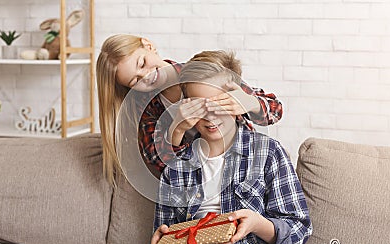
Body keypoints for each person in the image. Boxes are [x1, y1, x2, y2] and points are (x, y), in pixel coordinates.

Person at [150, 55, 312, 244]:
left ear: (237, 101)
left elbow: (298, 230)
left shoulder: (268, 153)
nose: (210, 116)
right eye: (199, 107)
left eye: (219, 104)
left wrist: (257, 224)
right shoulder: (177, 167)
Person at [96, 34, 283, 186]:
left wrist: (250, 103)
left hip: (242, 168)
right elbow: (166, 169)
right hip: (202, 184)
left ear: (148, 45)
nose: (147, 75)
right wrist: (177, 129)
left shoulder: (202, 72)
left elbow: (275, 111)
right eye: (135, 80)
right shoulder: (147, 110)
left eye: (142, 63)